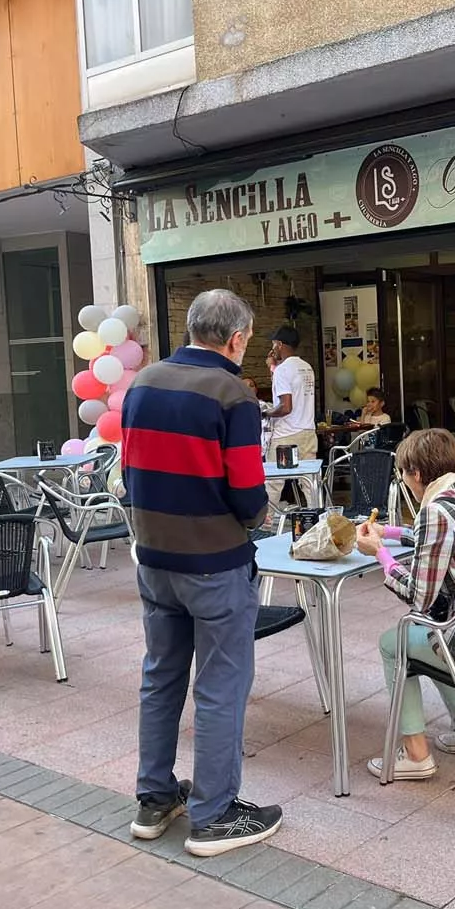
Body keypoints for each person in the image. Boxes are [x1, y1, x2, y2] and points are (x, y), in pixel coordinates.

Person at [121, 288, 282, 857]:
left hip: (155, 559)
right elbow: (247, 494)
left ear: (191, 328)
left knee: (160, 677)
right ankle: (214, 813)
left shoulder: (141, 383)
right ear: (237, 339)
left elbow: (127, 472)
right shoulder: (231, 393)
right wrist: (262, 515)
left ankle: (154, 797)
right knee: (220, 686)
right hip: (215, 564)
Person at [354, 429, 455, 781]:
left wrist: (379, 554)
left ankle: (416, 754)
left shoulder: (436, 513)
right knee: (432, 632)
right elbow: (439, 539)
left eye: (403, 474)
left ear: (415, 474)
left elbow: (419, 597)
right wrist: (390, 533)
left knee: (396, 643)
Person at [264, 325, 316, 515]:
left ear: (279, 344)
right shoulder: (306, 367)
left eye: (273, 344)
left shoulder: (283, 370)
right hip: (308, 431)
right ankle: (319, 523)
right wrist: (272, 367)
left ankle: (266, 526)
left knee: (272, 483)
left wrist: (266, 413)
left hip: (285, 436)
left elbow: (285, 406)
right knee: (310, 483)